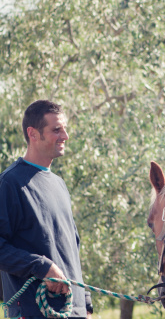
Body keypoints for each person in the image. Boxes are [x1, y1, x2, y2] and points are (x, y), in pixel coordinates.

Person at [0, 100, 93, 318]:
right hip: (35, 312)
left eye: (65, 129)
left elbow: (71, 249)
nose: (65, 136)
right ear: (33, 134)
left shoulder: (59, 184)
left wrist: (86, 304)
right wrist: (42, 267)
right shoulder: (9, 184)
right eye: (56, 130)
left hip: (74, 312)